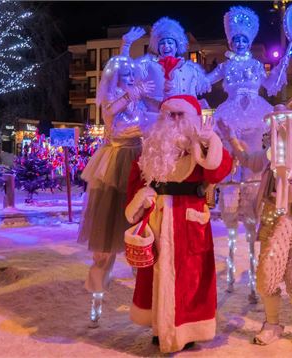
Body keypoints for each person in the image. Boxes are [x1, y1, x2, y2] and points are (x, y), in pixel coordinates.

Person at [219, 105, 292, 348]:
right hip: (271, 220)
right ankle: (272, 323)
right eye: (274, 125)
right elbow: (248, 161)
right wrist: (230, 137)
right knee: (267, 275)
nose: (278, 129)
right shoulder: (270, 153)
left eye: (283, 124)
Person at [125, 95, 232, 353]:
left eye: (180, 115)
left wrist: (210, 143)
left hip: (189, 218)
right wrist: (139, 199)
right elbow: (136, 181)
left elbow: (218, 171)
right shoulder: (152, 146)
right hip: (158, 217)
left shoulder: (203, 145)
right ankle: (159, 326)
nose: (173, 120)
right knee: (155, 274)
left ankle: (188, 328)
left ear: (192, 118)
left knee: (191, 278)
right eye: (169, 115)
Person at [205, 6, 291, 300]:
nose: (239, 44)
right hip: (230, 114)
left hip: (255, 114)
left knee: (255, 199)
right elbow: (206, 80)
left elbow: (270, 84)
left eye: (244, 39)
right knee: (230, 184)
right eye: (235, 40)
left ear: (248, 41)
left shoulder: (256, 65)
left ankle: (256, 273)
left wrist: (282, 64)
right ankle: (230, 268)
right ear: (230, 42)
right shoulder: (225, 66)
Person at [77, 55, 154, 328]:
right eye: (126, 77)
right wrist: (142, 116)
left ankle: (145, 301)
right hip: (115, 166)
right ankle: (97, 298)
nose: (131, 80)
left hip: (138, 165)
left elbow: (149, 118)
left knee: (140, 235)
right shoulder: (112, 101)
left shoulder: (137, 100)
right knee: (105, 241)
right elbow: (117, 124)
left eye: (133, 76)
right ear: (116, 80)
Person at [120, 18, 210, 112]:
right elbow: (125, 72)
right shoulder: (148, 66)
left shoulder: (189, 69)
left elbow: (193, 94)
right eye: (162, 43)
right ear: (158, 47)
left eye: (170, 43)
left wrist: (197, 104)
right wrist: (126, 45)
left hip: (184, 121)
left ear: (176, 47)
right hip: (156, 120)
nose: (166, 46)